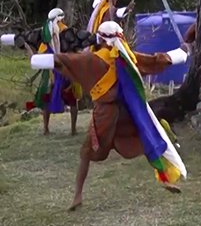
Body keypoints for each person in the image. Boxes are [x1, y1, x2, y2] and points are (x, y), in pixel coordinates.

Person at [28, 21, 186, 211]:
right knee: (145, 140)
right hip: (128, 111)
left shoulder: (92, 60)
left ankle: (78, 196)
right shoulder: (128, 58)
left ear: (101, 40)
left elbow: (64, 60)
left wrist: (35, 57)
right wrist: (183, 51)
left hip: (104, 114)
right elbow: (156, 60)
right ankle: (165, 180)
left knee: (86, 154)